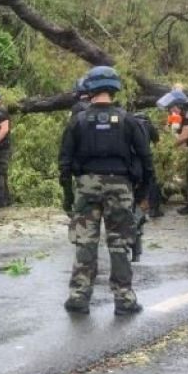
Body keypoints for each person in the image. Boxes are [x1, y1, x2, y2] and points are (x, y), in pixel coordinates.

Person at [58, 66, 154, 316]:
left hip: (86, 186)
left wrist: (68, 195)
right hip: (120, 187)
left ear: (89, 88)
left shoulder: (77, 120)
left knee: (85, 243)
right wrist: (142, 194)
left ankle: (79, 297)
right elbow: (146, 160)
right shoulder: (128, 120)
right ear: (114, 88)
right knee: (120, 244)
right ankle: (125, 300)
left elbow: (65, 161)